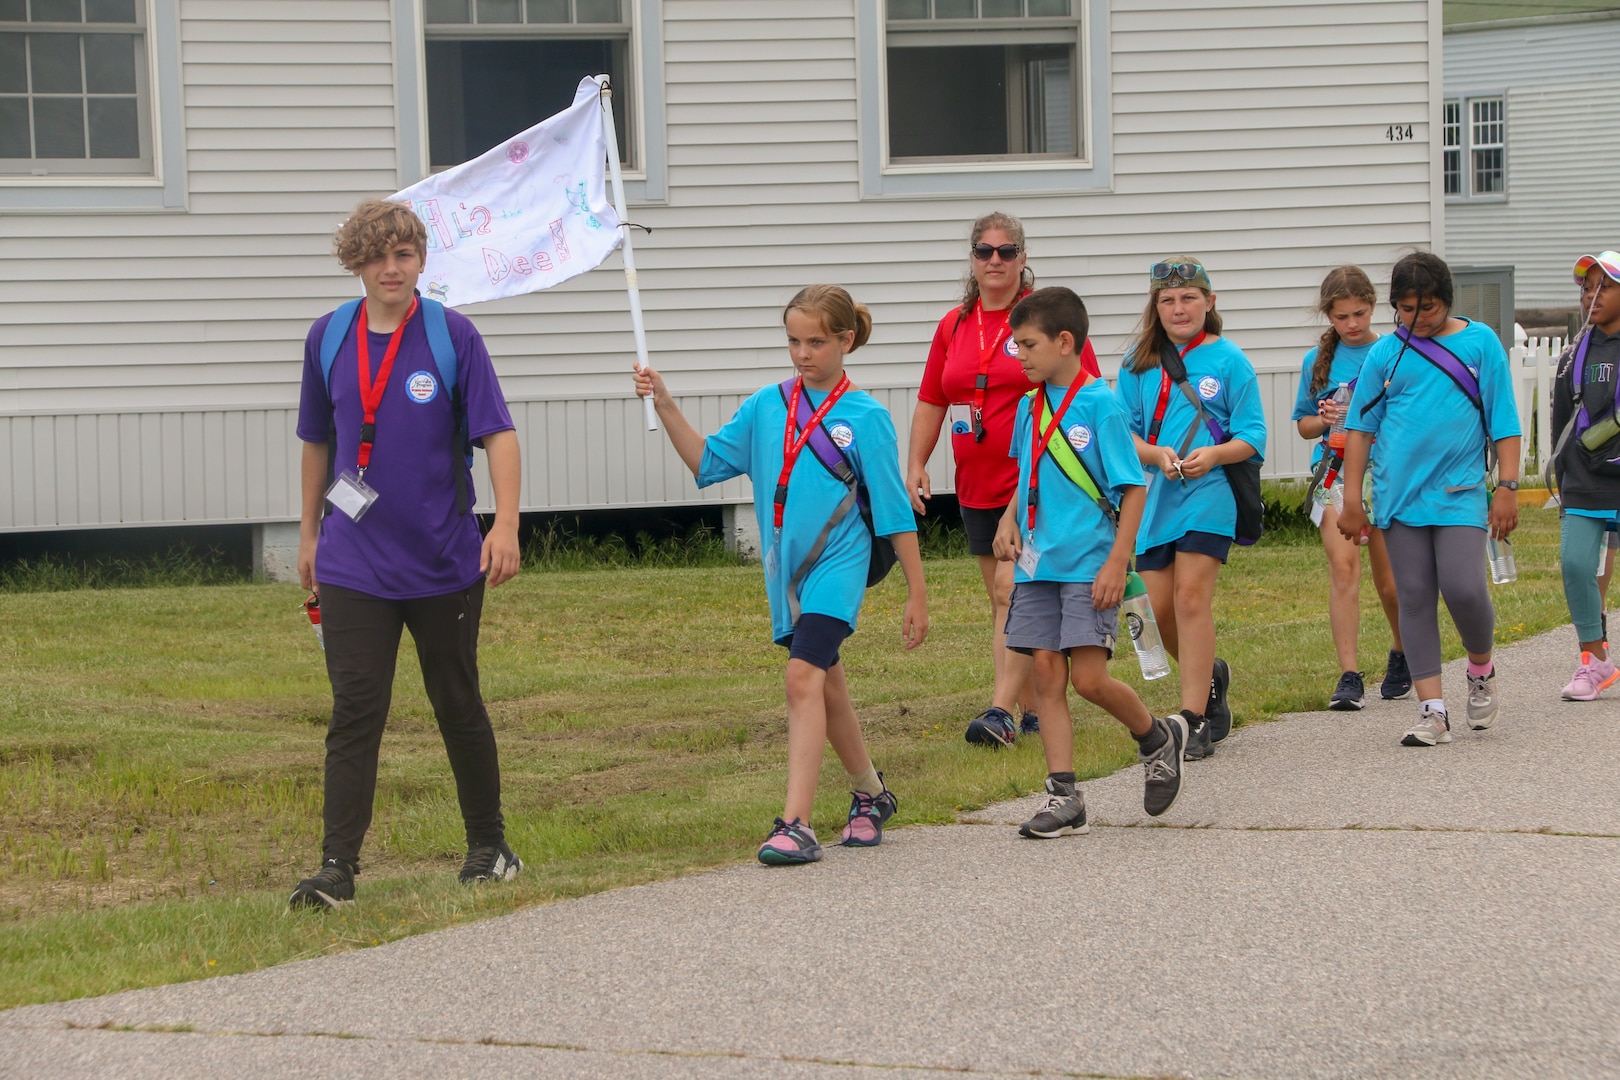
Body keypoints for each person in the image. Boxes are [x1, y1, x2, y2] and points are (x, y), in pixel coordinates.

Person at [634, 285, 928, 865]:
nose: (802, 353)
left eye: (816, 342)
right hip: (784, 575)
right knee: (827, 686)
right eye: (793, 341)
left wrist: (917, 592)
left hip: (838, 566)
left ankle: (795, 823)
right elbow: (707, 462)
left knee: (801, 678)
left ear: (846, 341)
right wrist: (665, 401)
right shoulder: (768, 405)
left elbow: (894, 511)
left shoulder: (866, 417)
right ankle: (871, 796)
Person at [290, 198, 524, 909]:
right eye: (376, 257)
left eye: (404, 255)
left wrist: (505, 524)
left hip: (444, 557)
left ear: (421, 260)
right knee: (355, 708)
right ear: (355, 263)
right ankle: (337, 868)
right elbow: (316, 441)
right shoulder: (328, 337)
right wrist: (307, 532)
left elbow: (499, 434)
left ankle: (489, 846)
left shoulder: (452, 336)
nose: (391, 269)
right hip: (352, 558)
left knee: (456, 699)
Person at [991, 287, 1188, 837]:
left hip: (1089, 565)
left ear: (1064, 342)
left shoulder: (1100, 405)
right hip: (1038, 565)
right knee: (1048, 674)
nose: (1020, 355)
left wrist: (1116, 562)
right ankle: (1064, 796)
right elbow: (1028, 476)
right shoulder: (1030, 406)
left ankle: (1156, 736)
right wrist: (1009, 518)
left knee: (1090, 680)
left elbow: (1132, 489)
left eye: (1027, 344)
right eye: (1014, 345)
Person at [907, 212, 1101, 749]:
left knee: (1010, 591)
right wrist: (916, 462)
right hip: (976, 481)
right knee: (1011, 600)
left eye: (1006, 251)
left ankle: (1000, 712)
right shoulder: (954, 325)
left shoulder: (1042, 315)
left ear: (1022, 257)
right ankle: (1038, 705)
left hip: (1037, 482)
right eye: (984, 251)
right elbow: (933, 398)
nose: (995, 260)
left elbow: (1087, 389)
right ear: (971, 258)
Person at [1338, 252, 1522, 746]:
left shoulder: (1480, 343)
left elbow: (1503, 422)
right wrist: (1352, 500)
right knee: (1414, 599)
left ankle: (1480, 669)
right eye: (1407, 308)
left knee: (1464, 588)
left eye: (1429, 307)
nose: (1418, 318)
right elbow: (1358, 430)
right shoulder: (1384, 355)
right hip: (1398, 499)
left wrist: (1507, 487)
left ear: (1447, 299)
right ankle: (1432, 709)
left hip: (1460, 493)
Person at [1115, 258, 1265, 761]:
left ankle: (1191, 718)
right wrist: (1156, 455)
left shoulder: (1228, 360)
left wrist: (1215, 455)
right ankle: (1210, 677)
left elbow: (1254, 434)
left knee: (1192, 598)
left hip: (1211, 492)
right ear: (1155, 308)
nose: (1179, 309)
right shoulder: (1137, 363)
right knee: (1157, 610)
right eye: (1168, 300)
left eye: (1189, 298)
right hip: (1157, 499)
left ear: (1209, 303)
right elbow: (1123, 435)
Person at [1292, 266, 1408, 709]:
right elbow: (1303, 426)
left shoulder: (1393, 351)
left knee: (1391, 583)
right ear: (1329, 317)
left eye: (1359, 313)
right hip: (1334, 474)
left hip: (1384, 475)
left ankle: (1401, 653)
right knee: (1343, 570)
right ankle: (1348, 674)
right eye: (1342, 317)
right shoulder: (1316, 362)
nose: (1352, 324)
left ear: (1374, 307)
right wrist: (1323, 418)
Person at [1549, 251, 1620, 701]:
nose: (1591, 296)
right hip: (1585, 478)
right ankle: (1594, 662)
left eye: (1604, 287)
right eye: (1585, 287)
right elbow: (1560, 417)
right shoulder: (1575, 351)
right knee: (1576, 564)